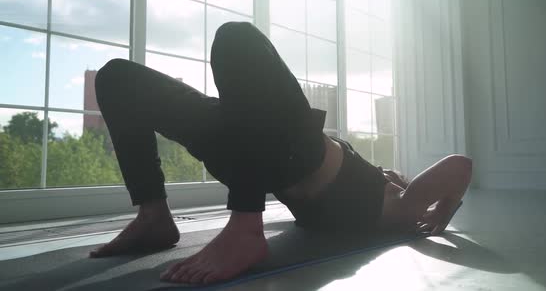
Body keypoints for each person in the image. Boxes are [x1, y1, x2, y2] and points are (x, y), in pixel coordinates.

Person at [90, 22, 472, 285]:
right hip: (253, 143)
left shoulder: (401, 212)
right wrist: (436, 203)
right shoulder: (385, 200)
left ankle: (245, 226)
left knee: (236, 38)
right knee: (115, 78)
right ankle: (154, 214)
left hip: (275, 150)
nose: (398, 179)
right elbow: (452, 171)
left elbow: (459, 166)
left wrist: (443, 208)